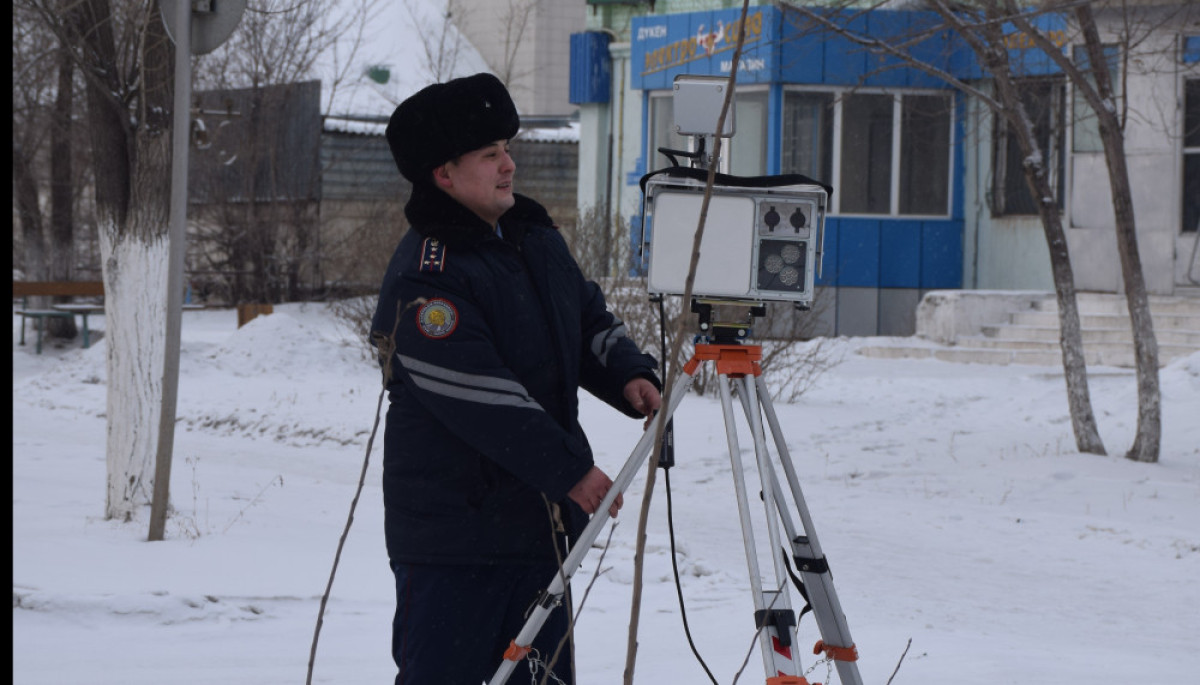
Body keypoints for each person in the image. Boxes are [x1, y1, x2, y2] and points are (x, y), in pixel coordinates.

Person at [371, 72, 663, 685]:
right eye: (489, 154)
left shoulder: (531, 234)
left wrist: (628, 373)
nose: (509, 165)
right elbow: (479, 395)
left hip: (536, 532)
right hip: (456, 543)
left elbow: (585, 315)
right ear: (443, 175)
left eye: (508, 148)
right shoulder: (427, 275)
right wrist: (569, 470)